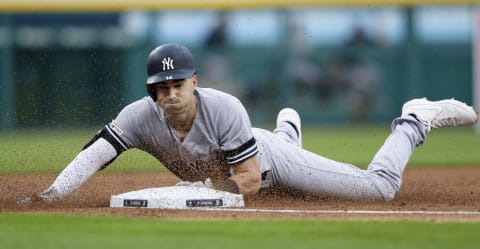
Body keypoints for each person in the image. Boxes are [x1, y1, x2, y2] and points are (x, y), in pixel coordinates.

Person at [21, 43, 478, 205]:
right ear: (151, 91)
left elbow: (252, 182)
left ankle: (415, 118)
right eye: (161, 87)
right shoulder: (138, 117)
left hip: (266, 164)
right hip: (241, 162)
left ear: (193, 81)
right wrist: (52, 195)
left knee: (378, 189)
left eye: (178, 83)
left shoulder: (224, 108)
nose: (170, 93)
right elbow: (95, 153)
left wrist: (193, 193)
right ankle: (289, 132)